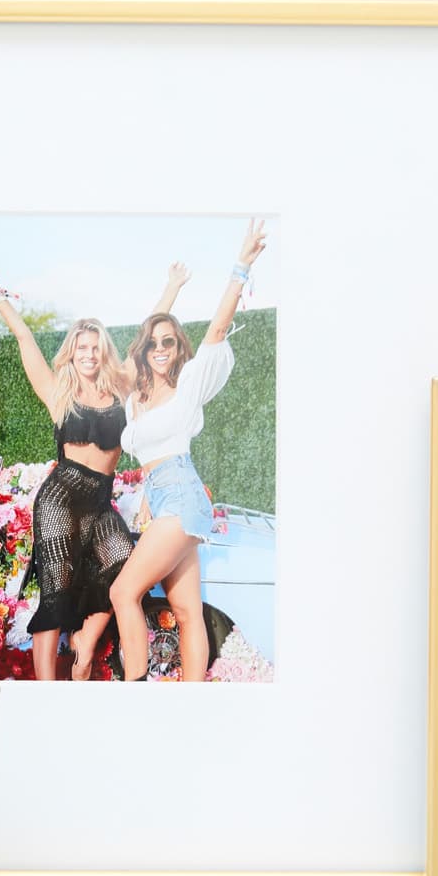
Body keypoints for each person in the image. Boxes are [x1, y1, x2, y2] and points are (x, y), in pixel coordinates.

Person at [0, 263, 189, 680]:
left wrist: (172, 286)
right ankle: (48, 691)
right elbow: (25, 338)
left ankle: (85, 644)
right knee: (57, 590)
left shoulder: (122, 386)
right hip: (60, 499)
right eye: (81, 347)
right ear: (71, 352)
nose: (88, 354)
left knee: (124, 563)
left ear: (103, 351)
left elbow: (146, 336)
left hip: (100, 502)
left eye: (94, 347)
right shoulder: (58, 392)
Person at [109, 218, 269, 682]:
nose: (160, 348)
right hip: (163, 496)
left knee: (123, 593)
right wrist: (171, 289)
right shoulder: (135, 397)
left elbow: (217, 329)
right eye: (153, 343)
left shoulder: (187, 387)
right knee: (184, 610)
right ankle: (192, 699)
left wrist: (240, 267)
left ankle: (135, 687)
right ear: (144, 350)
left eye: (169, 342)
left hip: (181, 494)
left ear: (178, 348)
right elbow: (149, 458)